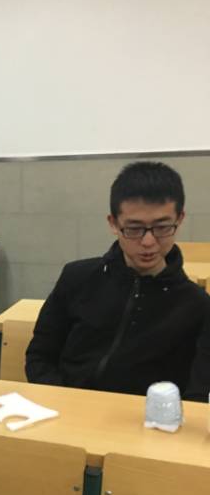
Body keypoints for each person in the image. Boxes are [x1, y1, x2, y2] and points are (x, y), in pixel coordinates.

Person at [26, 161, 210, 397]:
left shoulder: (197, 306)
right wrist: (65, 401)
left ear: (180, 219)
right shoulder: (77, 278)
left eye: (162, 227)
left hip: (145, 418)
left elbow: (197, 393)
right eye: (134, 229)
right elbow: (40, 356)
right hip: (67, 410)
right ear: (113, 223)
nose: (148, 242)